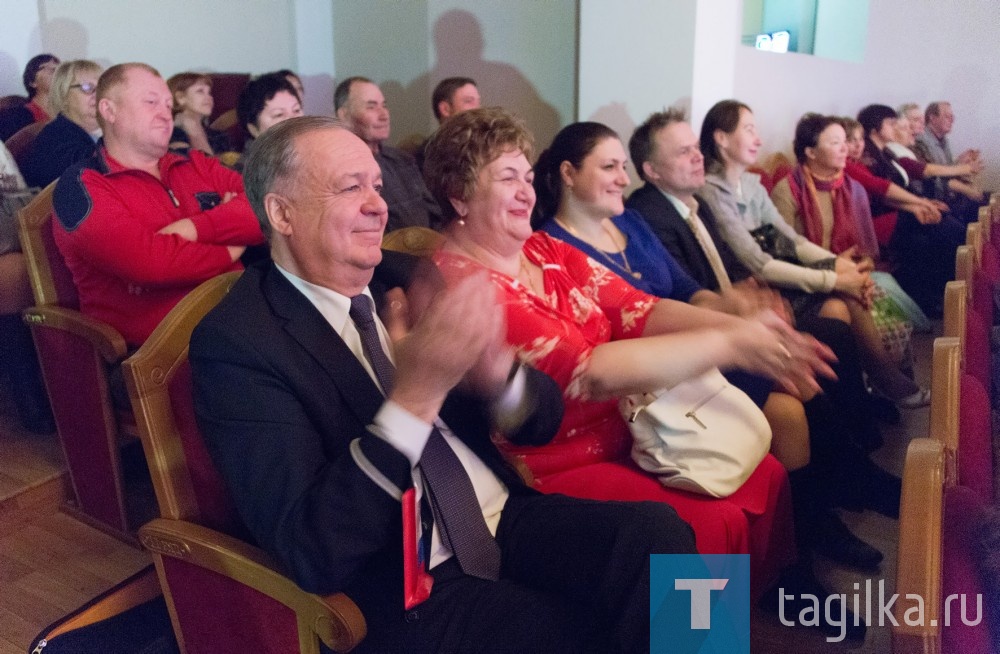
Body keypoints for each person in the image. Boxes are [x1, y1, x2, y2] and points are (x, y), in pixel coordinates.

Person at [191, 114, 696, 654]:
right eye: (350, 187)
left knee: (666, 539)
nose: (378, 205)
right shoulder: (238, 343)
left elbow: (540, 423)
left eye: (377, 186)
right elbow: (314, 547)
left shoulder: (408, 276)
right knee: (571, 631)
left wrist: (498, 375)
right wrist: (414, 399)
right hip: (404, 578)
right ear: (281, 212)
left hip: (501, 516)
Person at [426, 107, 845, 603]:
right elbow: (587, 373)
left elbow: (639, 308)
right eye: (505, 178)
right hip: (552, 465)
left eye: (525, 175)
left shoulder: (544, 250)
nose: (526, 192)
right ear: (459, 195)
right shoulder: (459, 284)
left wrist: (744, 326)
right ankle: (703, 635)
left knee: (766, 469)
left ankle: (750, 607)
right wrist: (734, 343)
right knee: (707, 520)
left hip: (629, 424)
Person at [535, 119, 892, 581]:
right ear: (567, 173)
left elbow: (679, 294)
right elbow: (605, 351)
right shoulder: (551, 249)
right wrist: (733, 335)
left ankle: (809, 536)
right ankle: (801, 549)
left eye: (624, 166)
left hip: (681, 356)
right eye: (610, 167)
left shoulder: (628, 219)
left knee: (796, 383)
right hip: (649, 383)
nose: (624, 178)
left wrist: (736, 312)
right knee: (783, 412)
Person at [698, 100, 928, 408]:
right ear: (721, 138)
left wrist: (839, 268)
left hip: (780, 274)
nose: (759, 139)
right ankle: (877, 387)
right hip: (755, 288)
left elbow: (789, 240)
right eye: (749, 130)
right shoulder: (713, 193)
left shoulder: (750, 187)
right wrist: (833, 278)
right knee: (842, 300)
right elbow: (758, 262)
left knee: (850, 291)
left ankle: (869, 392)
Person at [51, 63, 265, 347]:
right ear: (109, 110)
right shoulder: (82, 186)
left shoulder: (193, 162)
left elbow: (264, 207)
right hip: (165, 353)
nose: (165, 113)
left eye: (167, 104)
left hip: (242, 317)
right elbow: (152, 264)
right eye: (151, 102)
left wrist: (193, 228)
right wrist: (232, 245)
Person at [856, 104, 966, 316]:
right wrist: (920, 204)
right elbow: (882, 191)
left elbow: (902, 182)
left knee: (942, 226)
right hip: (877, 220)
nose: (896, 126)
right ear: (874, 129)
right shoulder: (867, 158)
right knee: (942, 231)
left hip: (895, 213)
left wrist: (921, 203)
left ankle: (950, 293)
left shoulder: (885, 153)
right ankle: (946, 297)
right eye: (890, 123)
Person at [334, 76, 443, 232]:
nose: (384, 115)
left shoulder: (402, 159)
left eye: (384, 106)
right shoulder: (341, 170)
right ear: (344, 116)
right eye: (371, 107)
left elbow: (434, 212)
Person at [21, 60, 103, 189]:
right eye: (87, 88)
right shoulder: (56, 136)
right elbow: (85, 171)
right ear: (63, 95)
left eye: (102, 87)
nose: (98, 95)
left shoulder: (104, 130)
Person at [167, 72, 232, 157]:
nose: (209, 97)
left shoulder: (219, 136)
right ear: (180, 98)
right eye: (200, 91)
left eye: (209, 92)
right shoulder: (170, 134)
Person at [0, 54, 60, 142]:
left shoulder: (70, 114)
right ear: (32, 82)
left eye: (59, 68)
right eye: (45, 67)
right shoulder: (17, 115)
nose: (55, 70)